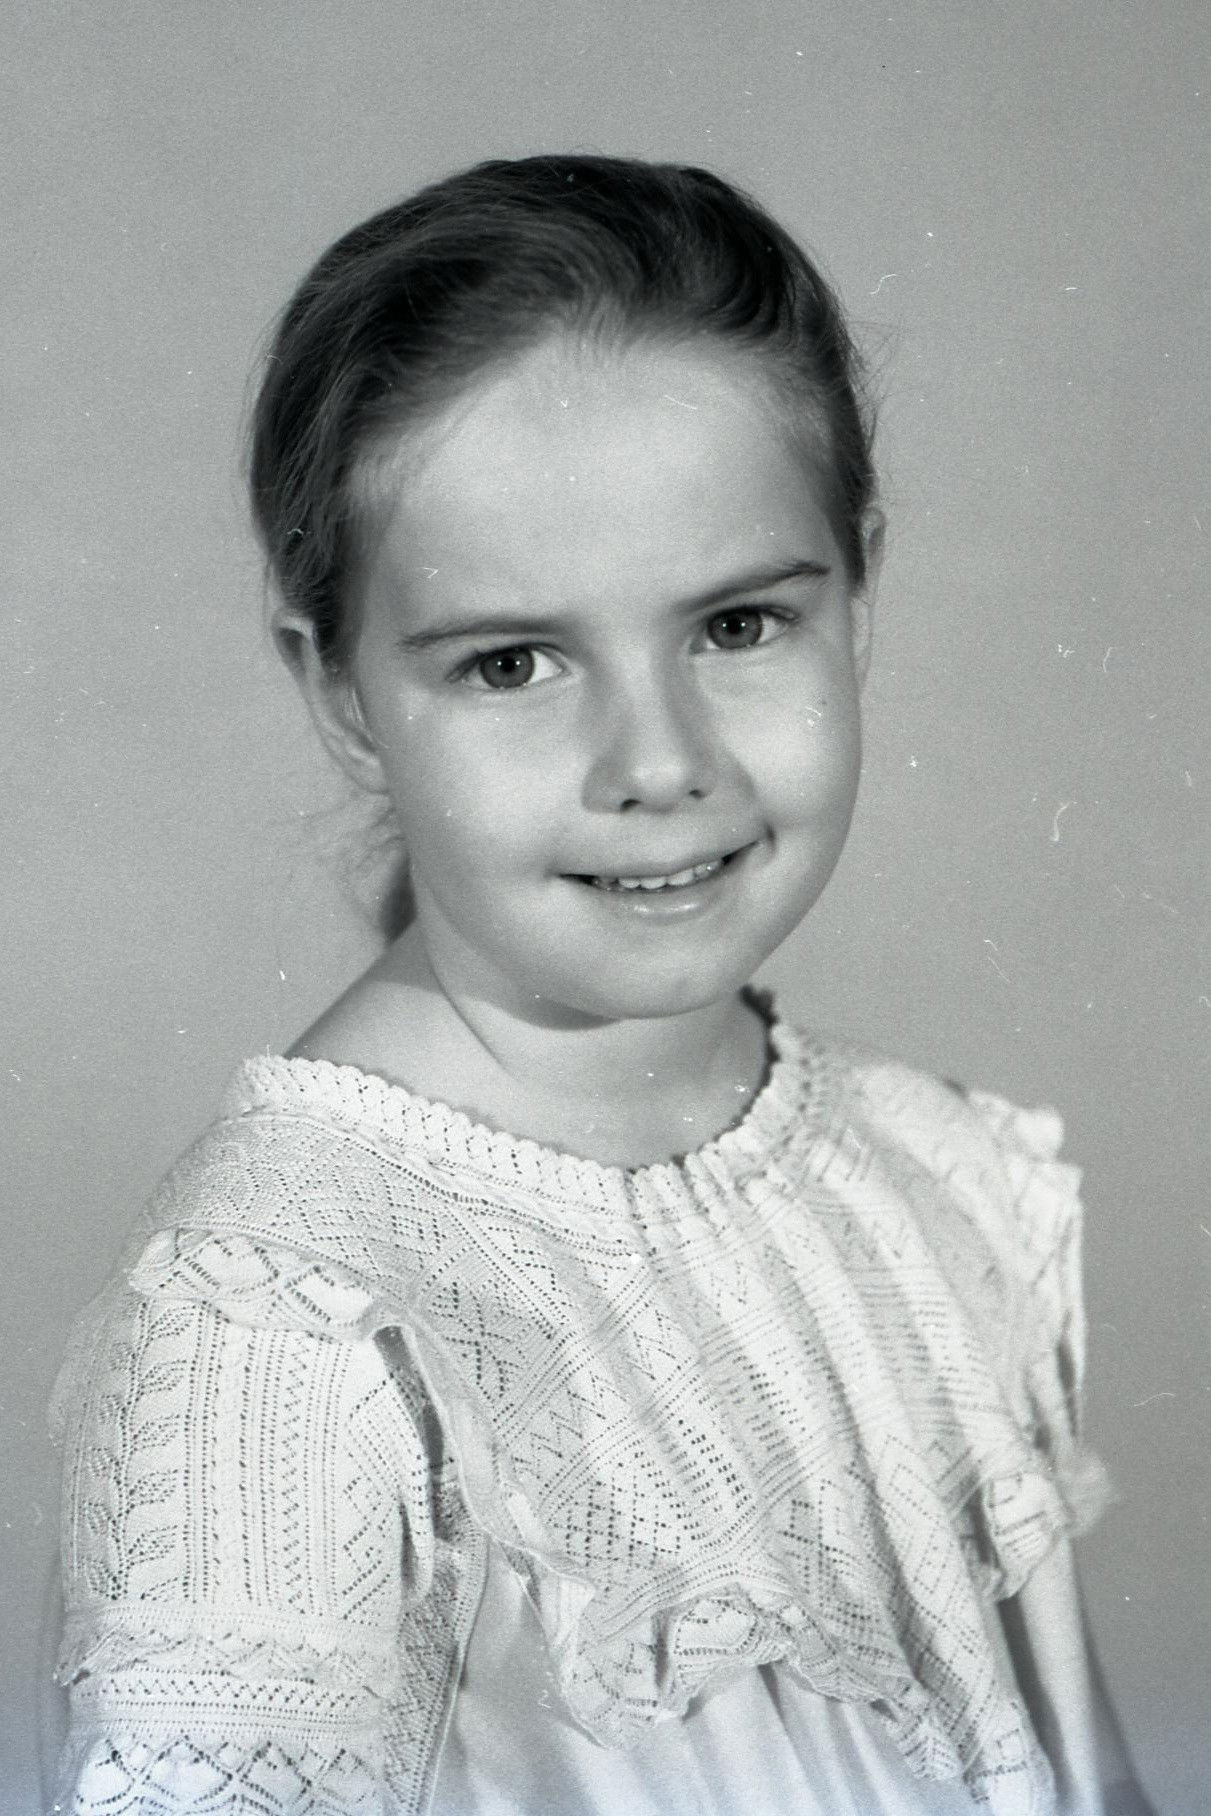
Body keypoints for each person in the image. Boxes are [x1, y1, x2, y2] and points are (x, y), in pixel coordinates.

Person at [49, 155, 1154, 1815]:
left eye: (737, 627)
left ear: (857, 590)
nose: (658, 761)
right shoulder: (284, 1340)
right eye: (512, 662)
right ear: (341, 690)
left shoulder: (934, 1181)